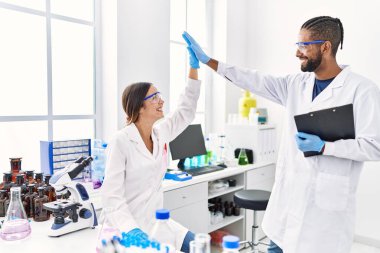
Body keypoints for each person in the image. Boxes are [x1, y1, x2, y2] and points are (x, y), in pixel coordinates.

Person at [183, 16, 380, 253]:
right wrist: (209, 61)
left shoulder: (362, 90)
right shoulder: (296, 84)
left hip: (325, 221)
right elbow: (253, 79)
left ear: (326, 47)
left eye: (304, 45)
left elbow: (374, 146)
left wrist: (326, 147)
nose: (298, 53)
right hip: (285, 213)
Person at [101, 46, 201, 252]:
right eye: (154, 97)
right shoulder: (121, 141)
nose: (161, 100)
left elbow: (186, 112)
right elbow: (111, 197)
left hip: (156, 223)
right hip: (126, 230)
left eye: (159, 95)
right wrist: (131, 230)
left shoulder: (160, 133)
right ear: (139, 107)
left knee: (198, 246)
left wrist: (193, 69)